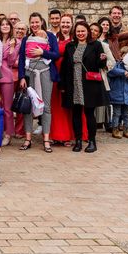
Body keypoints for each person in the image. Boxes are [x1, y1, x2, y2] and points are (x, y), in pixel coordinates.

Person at [59, 22, 110, 153]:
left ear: (88, 32)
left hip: (89, 85)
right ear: (75, 33)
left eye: (83, 31)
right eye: (78, 31)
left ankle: (92, 142)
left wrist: (103, 59)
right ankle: (78, 141)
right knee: (75, 114)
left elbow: (100, 64)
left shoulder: (96, 45)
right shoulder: (70, 46)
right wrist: (62, 85)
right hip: (73, 84)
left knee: (89, 114)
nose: (80, 33)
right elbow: (64, 67)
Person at [18, 12, 59, 153]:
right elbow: (22, 59)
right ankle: (28, 138)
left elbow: (56, 54)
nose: (34, 25)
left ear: (41, 22)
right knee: (28, 106)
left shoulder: (50, 37)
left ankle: (46, 140)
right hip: (29, 73)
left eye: (37, 22)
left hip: (46, 73)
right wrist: (22, 77)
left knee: (46, 106)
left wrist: (42, 52)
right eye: (32, 22)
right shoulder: (25, 39)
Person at [49, 14, 79, 146]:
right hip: (55, 74)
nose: (65, 25)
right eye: (63, 22)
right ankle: (56, 135)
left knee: (68, 105)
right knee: (55, 105)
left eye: (68, 23)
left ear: (72, 24)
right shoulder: (54, 38)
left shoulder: (75, 39)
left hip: (70, 75)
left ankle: (68, 135)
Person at [107, 47, 128, 139]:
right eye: (125, 55)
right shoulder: (117, 65)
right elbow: (111, 72)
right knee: (116, 113)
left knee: (126, 114)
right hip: (117, 94)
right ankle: (115, 129)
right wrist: (124, 72)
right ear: (121, 56)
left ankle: (126, 129)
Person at [0, 18, 20, 148]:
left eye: (7, 24)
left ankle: (8, 134)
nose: (4, 26)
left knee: (7, 108)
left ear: (11, 27)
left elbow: (11, 62)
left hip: (7, 76)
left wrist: (11, 48)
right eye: (2, 24)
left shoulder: (15, 42)